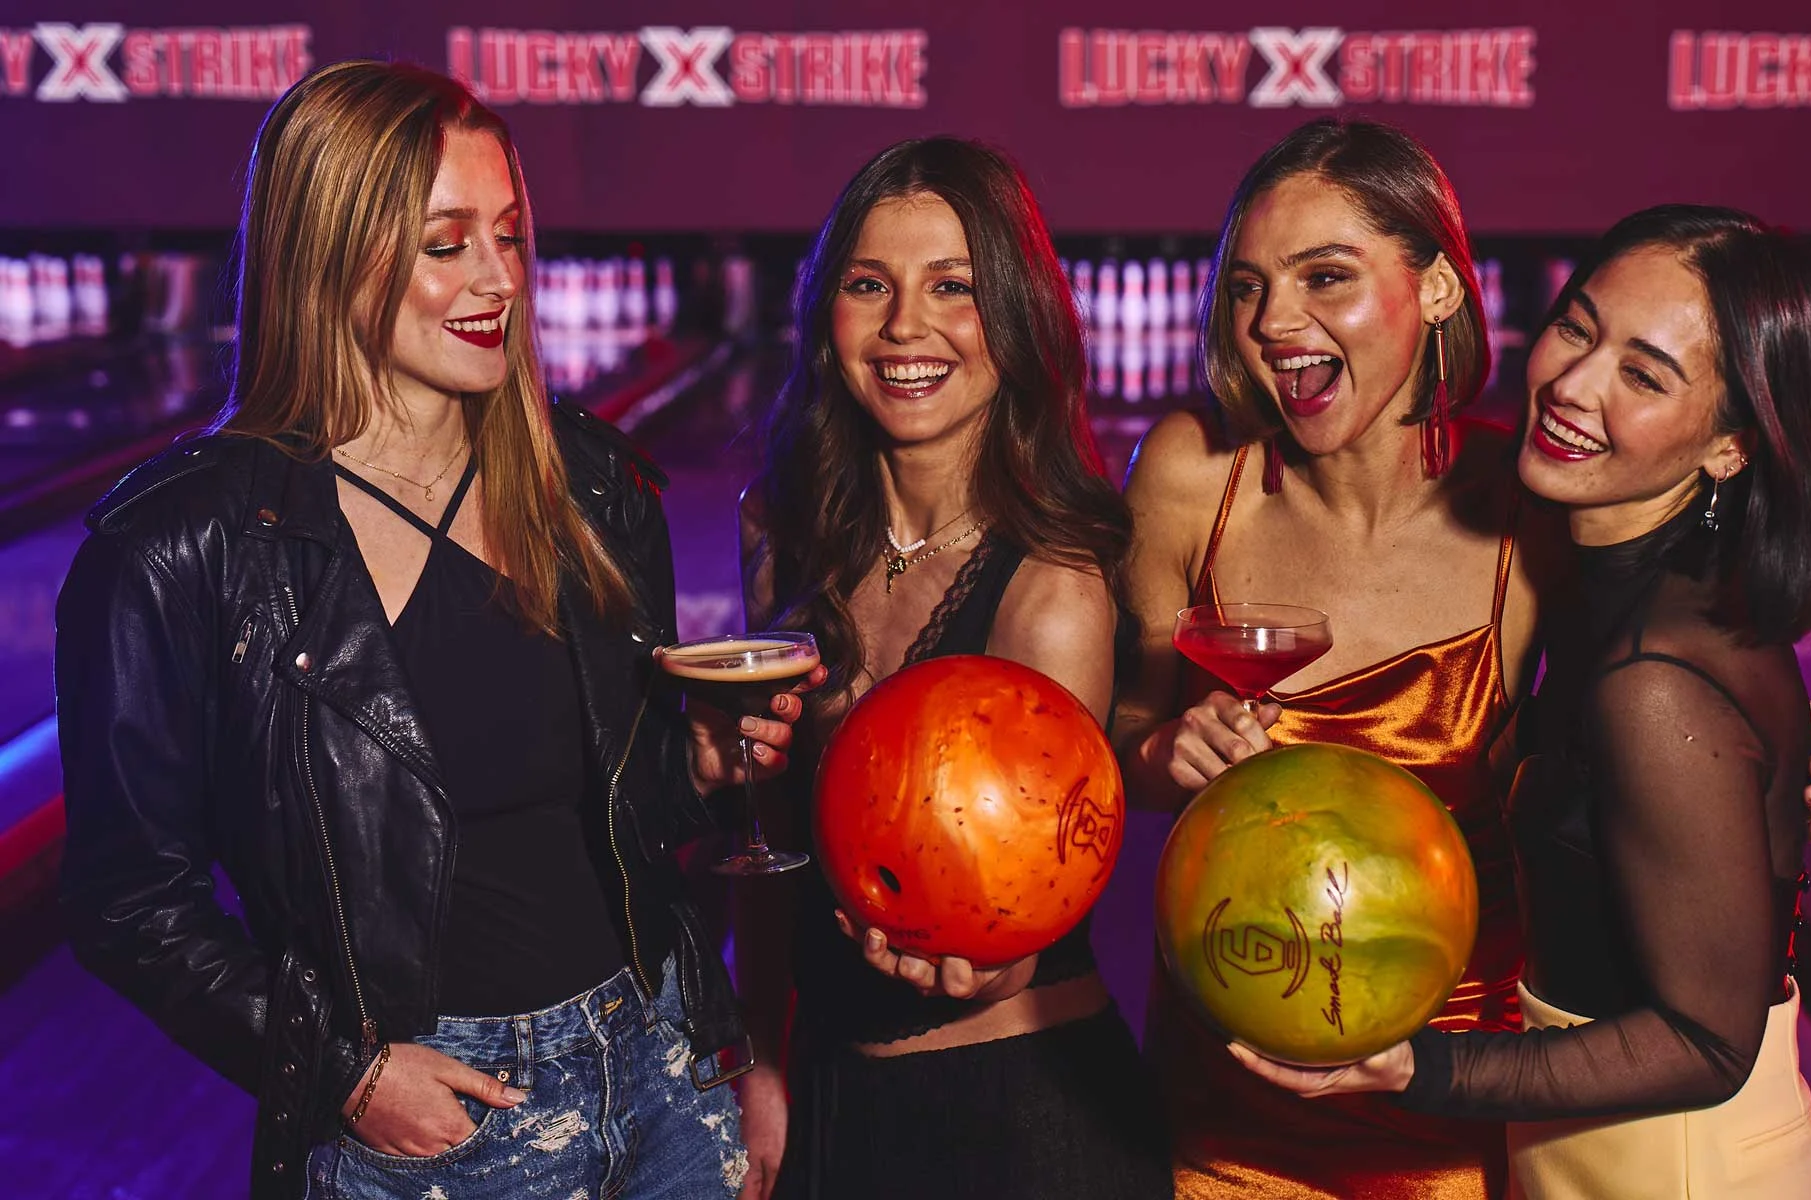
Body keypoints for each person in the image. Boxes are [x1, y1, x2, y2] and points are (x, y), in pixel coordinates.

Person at [55, 60, 812, 1200]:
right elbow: (128, 904)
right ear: (328, 253)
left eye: (510, 234)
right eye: (445, 242)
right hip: (441, 1118)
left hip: (659, 1066)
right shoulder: (180, 551)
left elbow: (618, 817)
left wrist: (697, 764)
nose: (499, 277)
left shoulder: (593, 487)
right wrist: (345, 1077)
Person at [1114, 120, 1811, 1199]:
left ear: (1445, 291)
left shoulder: (1536, 510)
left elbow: (1665, 686)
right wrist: (1162, 750)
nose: (1274, 323)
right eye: (1247, 285)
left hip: (1463, 1081)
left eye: (1328, 276)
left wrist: (1770, 770)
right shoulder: (1188, 473)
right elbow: (1117, 747)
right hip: (1230, 1058)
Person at [731, 136, 1171, 1200]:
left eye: (955, 288)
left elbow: (1028, 903)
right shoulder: (781, 538)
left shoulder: (1051, 593)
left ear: (1016, 319)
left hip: (1017, 1118)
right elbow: (763, 856)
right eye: (869, 285)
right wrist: (760, 1062)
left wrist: (981, 950)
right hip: (830, 1096)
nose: (905, 329)